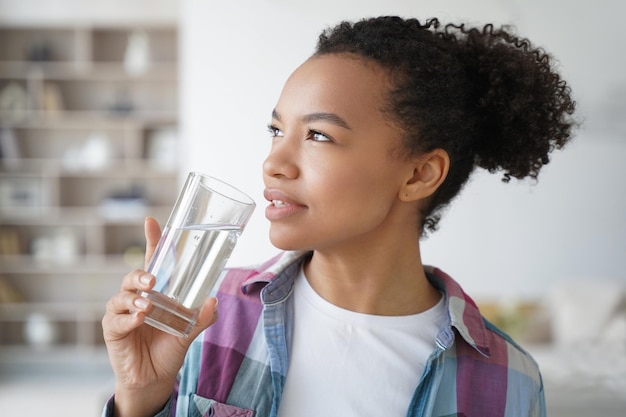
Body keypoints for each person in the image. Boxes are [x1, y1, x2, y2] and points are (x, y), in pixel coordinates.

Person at [102, 16, 576, 417]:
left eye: (319, 136)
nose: (274, 162)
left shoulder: (509, 381)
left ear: (419, 173)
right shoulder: (205, 318)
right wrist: (140, 396)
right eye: (276, 129)